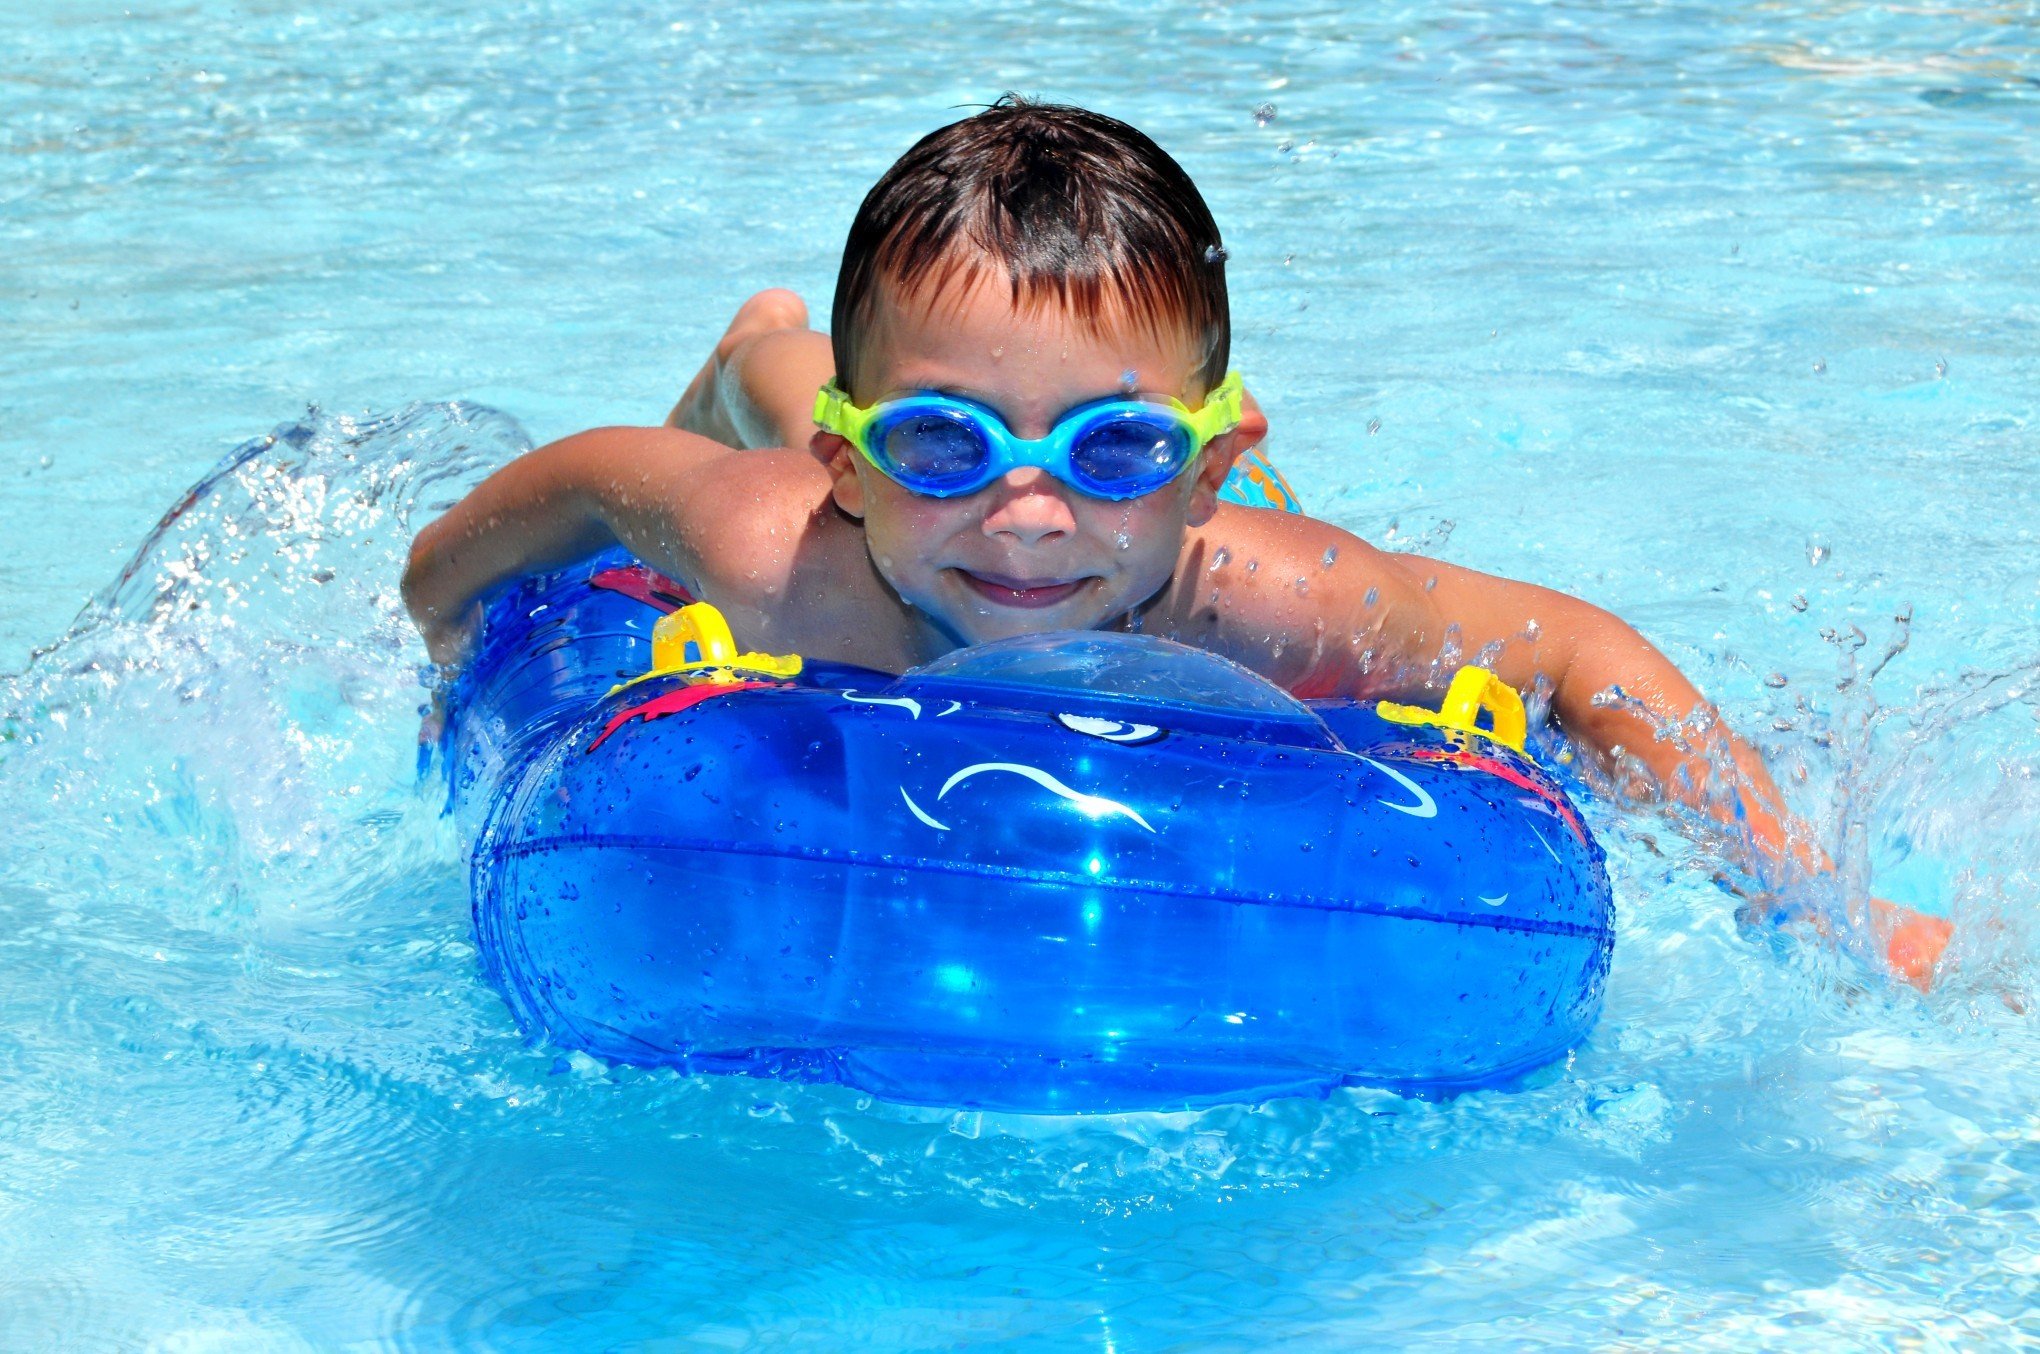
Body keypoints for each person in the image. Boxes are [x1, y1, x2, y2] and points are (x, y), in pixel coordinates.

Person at [402, 96, 1950, 988]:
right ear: (854, 472)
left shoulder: (1259, 603)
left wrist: (1809, 896)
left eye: (1113, 448)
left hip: (1171, 543)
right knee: (777, 378)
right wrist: (437, 618)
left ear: (1202, 474)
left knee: (1023, 435)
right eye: (946, 447)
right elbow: (594, 479)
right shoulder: (787, 555)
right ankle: (762, 344)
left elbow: (1578, 654)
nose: (1027, 513)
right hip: (810, 450)